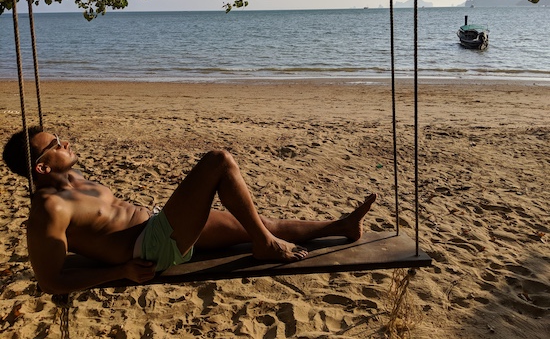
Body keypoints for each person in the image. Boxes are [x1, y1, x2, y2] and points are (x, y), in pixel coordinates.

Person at [2, 126, 377, 295]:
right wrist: (121, 271)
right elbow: (51, 280)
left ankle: (342, 227)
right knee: (218, 161)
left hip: (159, 224)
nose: (65, 141)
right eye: (55, 143)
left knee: (261, 222)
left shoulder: (74, 177)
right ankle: (266, 245)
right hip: (152, 251)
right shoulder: (49, 210)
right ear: (41, 167)